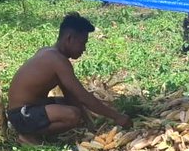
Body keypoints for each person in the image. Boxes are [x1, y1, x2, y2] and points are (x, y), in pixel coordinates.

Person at [7, 12, 131, 141]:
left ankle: (31, 129)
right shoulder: (57, 60)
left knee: (70, 105)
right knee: (72, 115)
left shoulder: (48, 52)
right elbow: (83, 96)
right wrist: (117, 116)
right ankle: (29, 135)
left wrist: (89, 123)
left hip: (29, 108)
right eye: (82, 43)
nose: (84, 49)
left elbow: (72, 95)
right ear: (69, 38)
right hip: (22, 114)